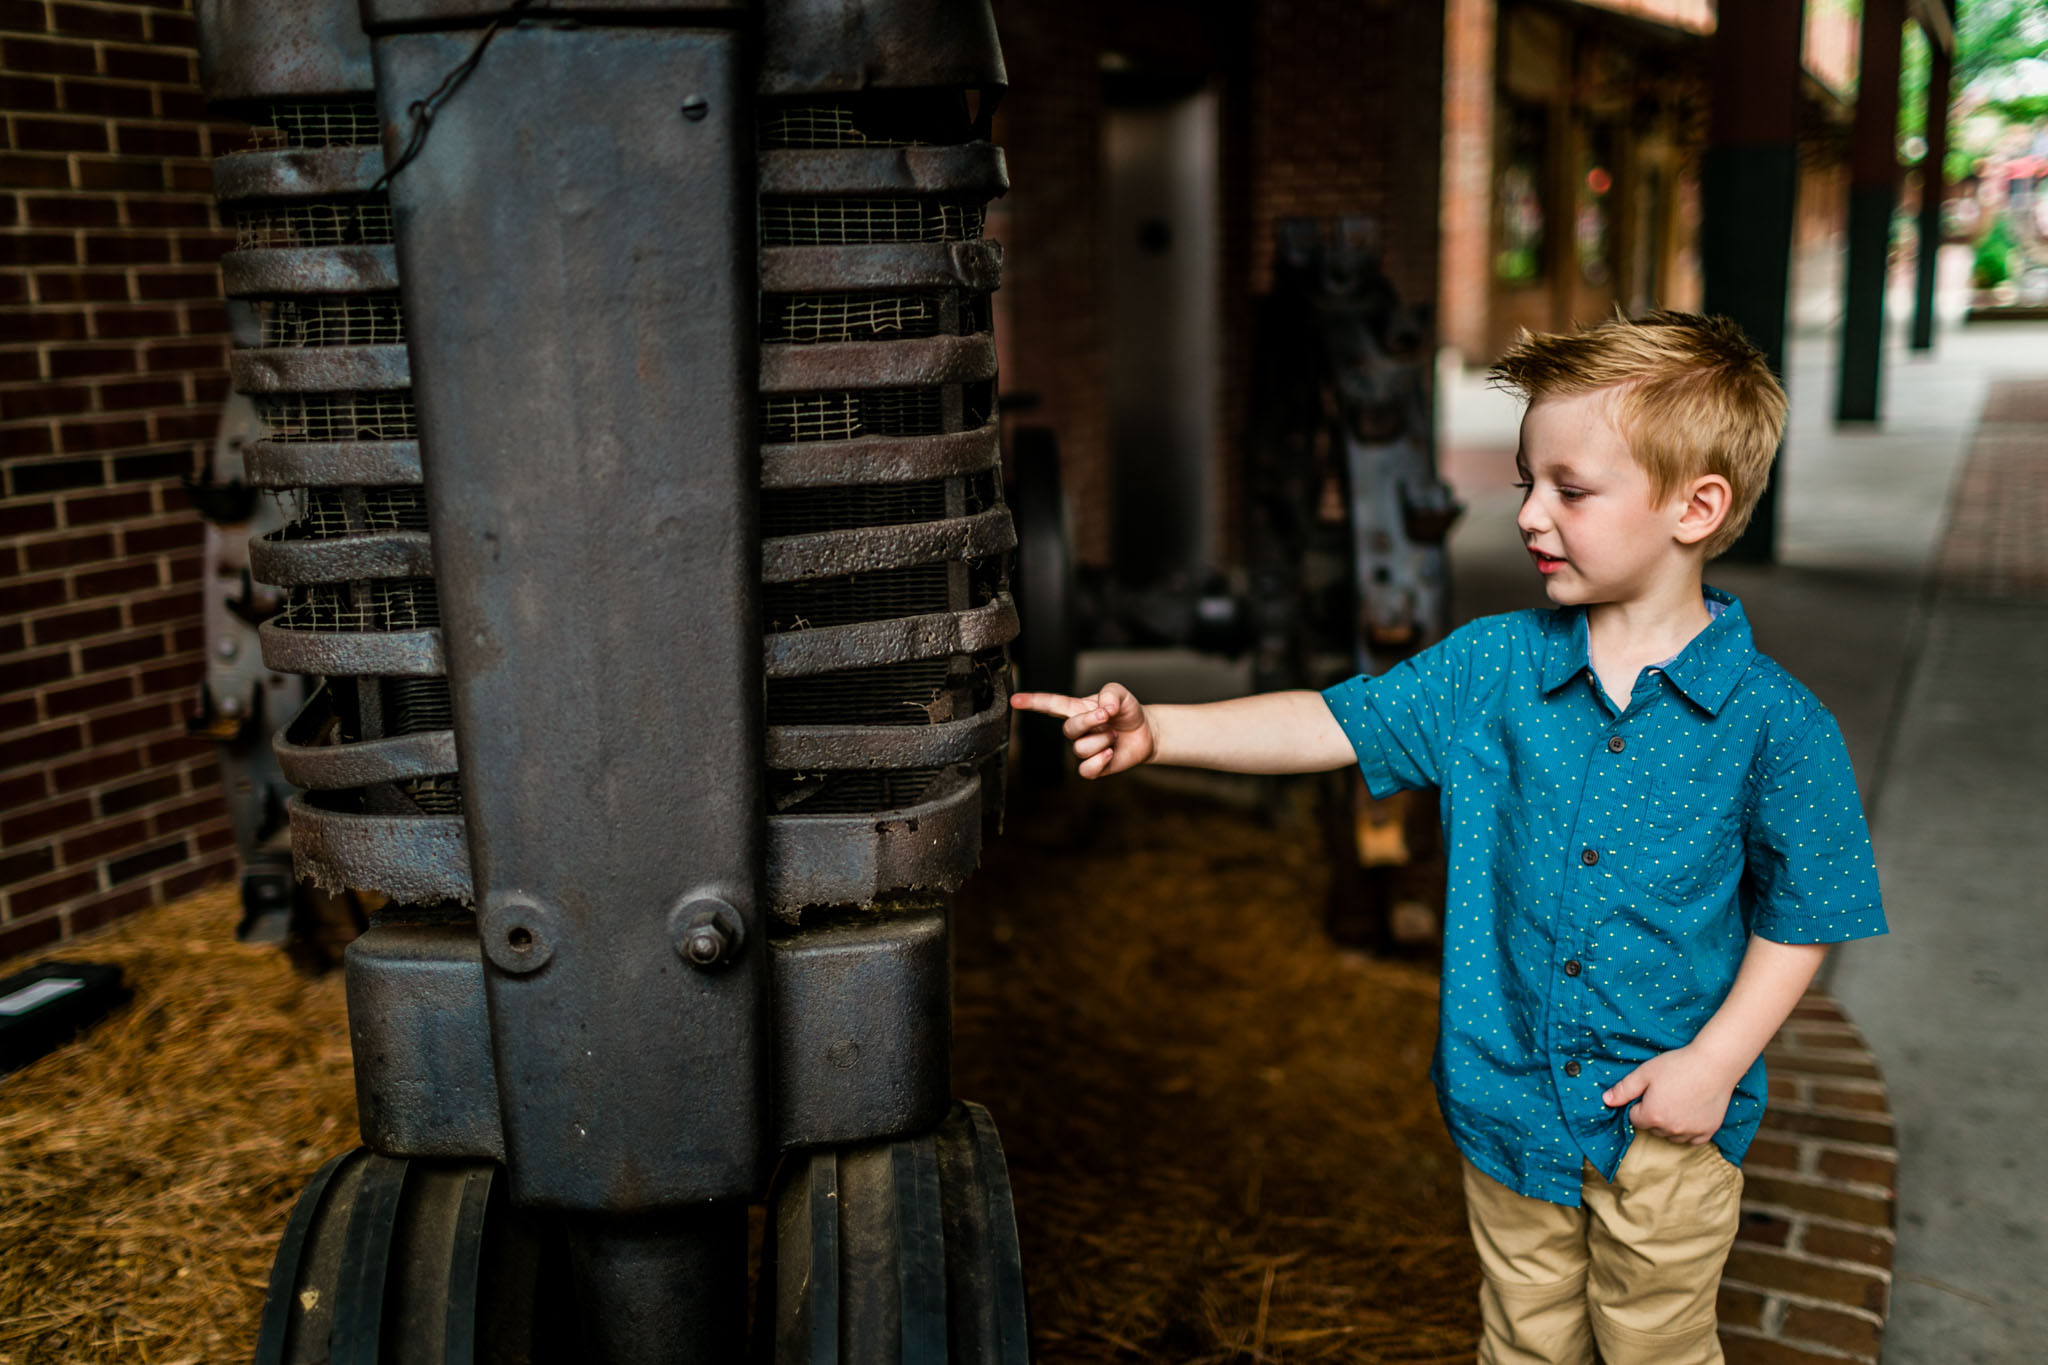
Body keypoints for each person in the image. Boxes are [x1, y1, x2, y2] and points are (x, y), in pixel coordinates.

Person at [1010, 311, 1886, 1365]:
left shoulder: (1775, 725)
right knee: (1520, 1338)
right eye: (1524, 481)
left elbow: (1804, 917)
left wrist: (1712, 1061)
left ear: (1694, 507)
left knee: (1654, 1345)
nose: (1525, 513)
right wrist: (1163, 730)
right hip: (1506, 1102)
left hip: (1666, 1125)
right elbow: (1329, 721)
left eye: (1568, 489)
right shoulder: (1487, 669)